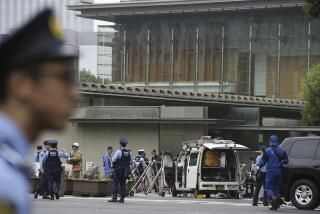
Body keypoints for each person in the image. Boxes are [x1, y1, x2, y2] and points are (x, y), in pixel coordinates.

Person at [0, 9, 77, 214]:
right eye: (64, 78)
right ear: (21, 83)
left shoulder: (10, 160)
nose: (75, 93)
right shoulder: (4, 183)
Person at [260, 135, 289, 211]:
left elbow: (261, 163)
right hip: (279, 172)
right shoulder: (282, 150)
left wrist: (261, 167)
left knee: (268, 189)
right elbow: (286, 161)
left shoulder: (267, 151)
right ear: (277, 141)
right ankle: (274, 206)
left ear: (270, 141)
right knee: (276, 189)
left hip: (270, 172)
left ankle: (276, 199)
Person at [109, 138, 133, 203]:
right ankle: (122, 198)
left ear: (120, 144)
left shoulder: (118, 151)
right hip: (125, 171)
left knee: (115, 183)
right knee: (123, 183)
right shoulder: (129, 152)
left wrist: (112, 166)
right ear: (125, 145)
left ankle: (114, 197)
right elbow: (131, 161)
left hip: (117, 170)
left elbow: (113, 160)